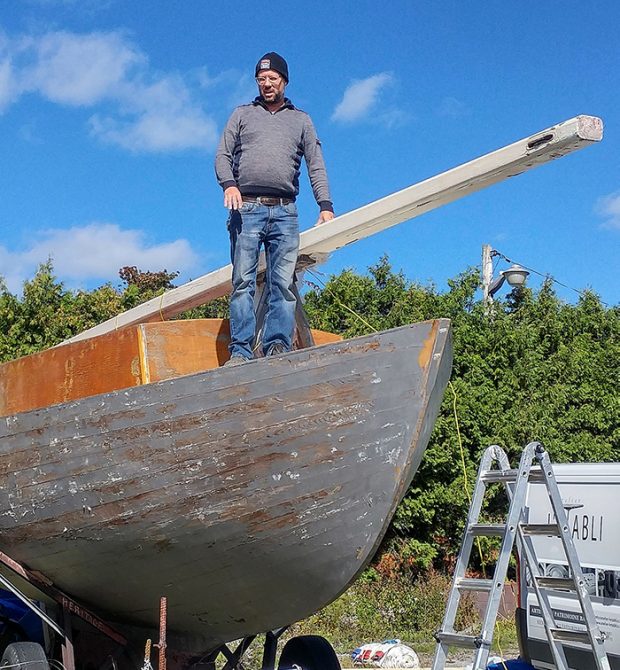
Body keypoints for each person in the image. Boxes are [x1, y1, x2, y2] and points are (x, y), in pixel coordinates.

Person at [215, 52, 334, 366]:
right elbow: (222, 156)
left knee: (282, 283)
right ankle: (240, 352)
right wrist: (229, 184)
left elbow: (316, 166)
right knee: (242, 282)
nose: (267, 84)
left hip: (285, 212)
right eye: (261, 79)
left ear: (284, 80)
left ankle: (277, 349)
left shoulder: (301, 120)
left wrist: (325, 206)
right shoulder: (241, 115)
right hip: (246, 211)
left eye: (273, 79)